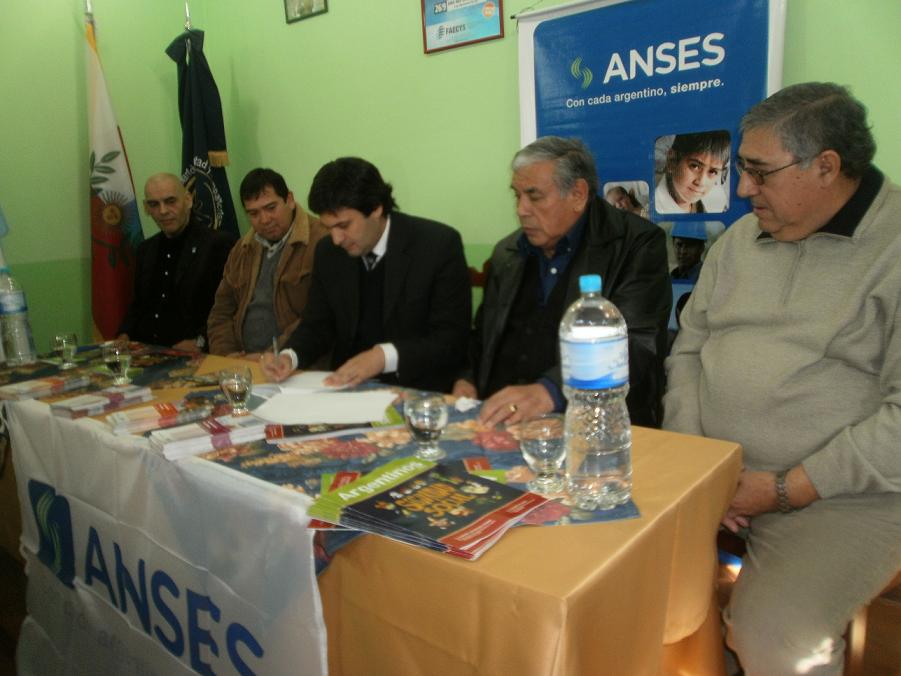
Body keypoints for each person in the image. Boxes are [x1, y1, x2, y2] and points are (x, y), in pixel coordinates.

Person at [663, 82, 901, 674]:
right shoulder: (740, 241)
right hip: (717, 472)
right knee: (616, 567)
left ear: (826, 167)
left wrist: (783, 488)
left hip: (845, 495)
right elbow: (688, 351)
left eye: (759, 172)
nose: (743, 190)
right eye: (742, 170)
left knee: (775, 639)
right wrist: (703, 464)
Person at [453, 137, 671, 428]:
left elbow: (637, 345)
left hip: (596, 425)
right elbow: (483, 337)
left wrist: (551, 390)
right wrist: (467, 379)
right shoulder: (508, 252)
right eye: (517, 196)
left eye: (535, 196)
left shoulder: (636, 245)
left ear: (578, 194)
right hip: (502, 421)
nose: (521, 209)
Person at [261, 157, 471, 392]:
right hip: (346, 388)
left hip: (417, 388)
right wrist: (289, 356)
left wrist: (382, 356)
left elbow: (451, 340)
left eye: (344, 225)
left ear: (376, 208)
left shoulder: (437, 246)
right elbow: (317, 325)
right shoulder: (328, 252)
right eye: (329, 227)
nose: (336, 239)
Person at [207, 168, 328, 359]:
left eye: (271, 208)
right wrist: (227, 355)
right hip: (242, 362)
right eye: (253, 213)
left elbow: (318, 317)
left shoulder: (323, 241)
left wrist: (270, 357)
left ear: (289, 200)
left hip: (296, 361)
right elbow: (221, 311)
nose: (264, 220)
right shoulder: (242, 249)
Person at [118, 173, 235, 351]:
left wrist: (200, 342)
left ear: (188, 200)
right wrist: (124, 334)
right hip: (144, 354)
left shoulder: (217, 245)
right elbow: (138, 305)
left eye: (170, 201)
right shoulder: (145, 250)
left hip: (195, 354)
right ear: (146, 208)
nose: (163, 211)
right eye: (154, 204)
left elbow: (229, 308)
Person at [654, 131, 730, 214]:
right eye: (694, 166)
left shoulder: (716, 205)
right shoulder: (652, 205)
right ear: (672, 161)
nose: (701, 182)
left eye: (712, 172)